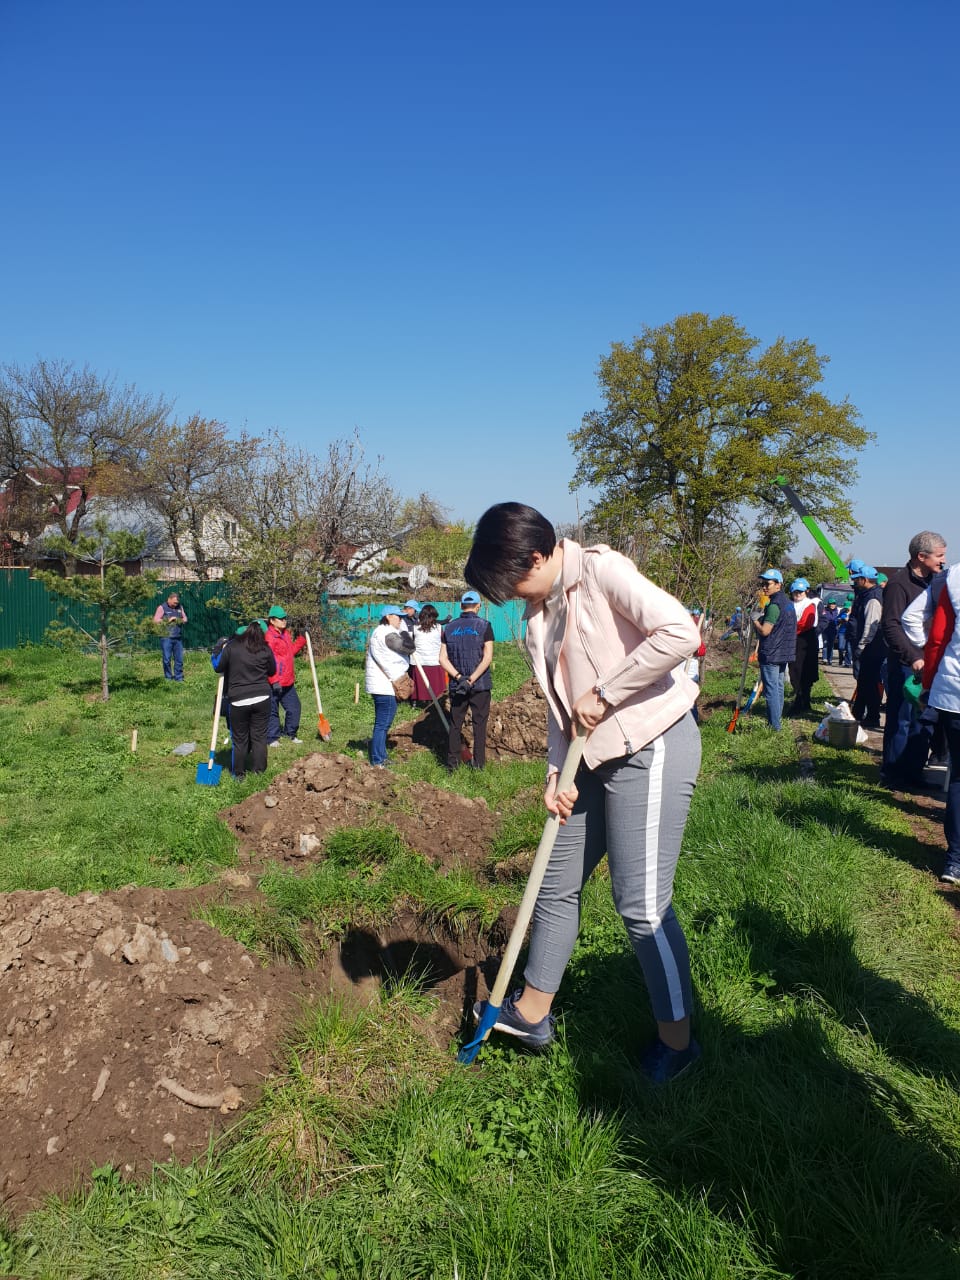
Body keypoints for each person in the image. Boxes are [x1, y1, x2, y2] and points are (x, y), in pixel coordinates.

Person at [464, 502, 702, 1084]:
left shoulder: (601, 571)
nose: (514, 598)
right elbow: (560, 708)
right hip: (586, 759)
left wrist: (608, 690)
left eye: (514, 581)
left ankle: (679, 1042)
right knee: (554, 881)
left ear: (539, 556)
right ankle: (531, 1014)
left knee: (640, 905)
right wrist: (555, 774)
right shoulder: (539, 615)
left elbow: (680, 632)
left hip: (652, 742)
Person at [880, 531, 947, 788]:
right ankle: (893, 774)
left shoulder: (937, 581)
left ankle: (914, 772)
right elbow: (891, 626)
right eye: (939, 555)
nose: (944, 560)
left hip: (929, 661)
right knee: (902, 719)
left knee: (924, 720)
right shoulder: (899, 584)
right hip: (907, 663)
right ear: (921, 556)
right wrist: (913, 656)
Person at [922, 564, 960, 884]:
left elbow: (938, 637)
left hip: (954, 692)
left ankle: (955, 860)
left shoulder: (955, 578)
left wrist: (928, 683)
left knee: (959, 777)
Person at [212, 623, 277, 780]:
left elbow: (217, 667)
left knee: (240, 739)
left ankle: (239, 774)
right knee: (259, 737)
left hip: (239, 700)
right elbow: (272, 670)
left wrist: (216, 651)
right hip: (262, 698)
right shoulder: (265, 649)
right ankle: (259, 772)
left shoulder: (232, 648)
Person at [439, 590, 495, 770]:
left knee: (456, 724)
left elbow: (442, 659)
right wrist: (471, 679)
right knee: (479, 724)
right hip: (480, 684)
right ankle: (478, 764)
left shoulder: (448, 628)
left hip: (457, 685)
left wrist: (458, 677)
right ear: (478, 606)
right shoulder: (485, 626)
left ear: (461, 606)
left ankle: (452, 765)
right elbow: (487, 657)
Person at [365, 605, 413, 767]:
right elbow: (409, 647)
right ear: (388, 617)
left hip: (382, 684)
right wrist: (406, 632)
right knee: (382, 724)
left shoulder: (381, 632)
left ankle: (381, 755)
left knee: (382, 723)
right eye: (398, 616)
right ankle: (378, 760)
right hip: (383, 685)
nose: (401, 619)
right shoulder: (387, 634)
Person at [753, 569, 796, 731]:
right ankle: (777, 723)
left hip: (771, 653)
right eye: (763, 583)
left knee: (771, 691)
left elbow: (765, 631)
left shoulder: (774, 606)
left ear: (778, 585)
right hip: (783, 653)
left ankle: (774, 727)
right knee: (778, 688)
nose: (764, 587)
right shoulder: (788, 604)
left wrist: (755, 620)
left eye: (768, 584)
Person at [849, 567, 886, 729]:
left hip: (872, 648)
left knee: (870, 684)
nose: (854, 581)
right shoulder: (866, 595)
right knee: (864, 683)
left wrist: (861, 646)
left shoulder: (873, 599)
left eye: (857, 579)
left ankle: (872, 716)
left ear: (864, 580)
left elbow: (871, 626)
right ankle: (858, 712)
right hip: (870, 648)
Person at [264, 605, 306, 746]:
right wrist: (274, 680)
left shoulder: (285, 634)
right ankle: (272, 738)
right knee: (272, 710)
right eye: (280, 619)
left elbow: (290, 652)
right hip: (274, 682)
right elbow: (267, 661)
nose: (284, 621)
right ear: (272, 621)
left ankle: (290, 734)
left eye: (285, 618)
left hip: (288, 681)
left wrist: (302, 639)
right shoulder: (269, 638)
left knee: (294, 708)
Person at [786, 578, 819, 715]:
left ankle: (802, 701)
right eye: (795, 592)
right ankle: (801, 699)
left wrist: (789, 630)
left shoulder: (810, 605)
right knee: (794, 671)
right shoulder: (789, 605)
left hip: (805, 641)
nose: (798, 594)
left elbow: (806, 623)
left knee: (804, 672)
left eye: (800, 591)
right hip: (793, 640)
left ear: (806, 591)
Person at [411, 604, 446, 703]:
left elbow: (411, 642)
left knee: (421, 684)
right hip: (435, 661)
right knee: (435, 684)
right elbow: (443, 642)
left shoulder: (415, 628)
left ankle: (418, 700)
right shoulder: (439, 628)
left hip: (419, 661)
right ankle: (435, 701)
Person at [153, 590, 187, 681]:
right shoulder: (162, 607)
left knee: (179, 659)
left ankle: (179, 678)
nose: (176, 604)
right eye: (174, 602)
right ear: (169, 599)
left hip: (178, 637)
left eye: (177, 603)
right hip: (166, 637)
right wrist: (168, 620)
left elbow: (185, 619)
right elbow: (155, 620)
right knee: (167, 659)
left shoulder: (180, 607)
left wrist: (179, 619)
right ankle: (168, 677)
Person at [820, 602, 839, 666]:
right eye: (831, 604)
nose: (832, 605)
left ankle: (830, 659)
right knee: (825, 644)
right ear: (828, 605)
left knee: (831, 645)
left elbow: (837, 620)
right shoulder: (825, 611)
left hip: (833, 630)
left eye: (833, 604)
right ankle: (824, 659)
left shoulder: (837, 611)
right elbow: (823, 619)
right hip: (825, 630)